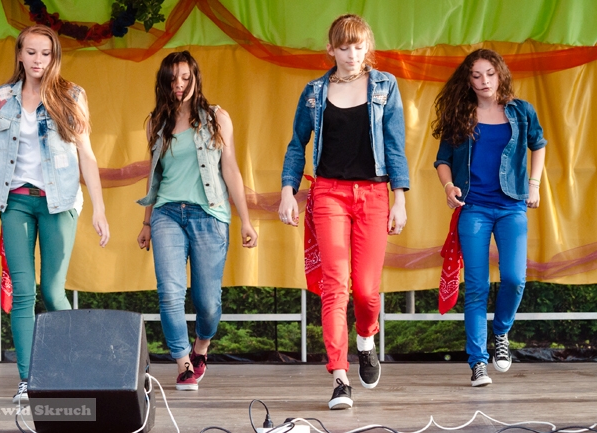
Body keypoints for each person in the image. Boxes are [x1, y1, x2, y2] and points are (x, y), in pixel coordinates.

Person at [0, 25, 110, 404]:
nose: (38, 60)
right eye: (31, 52)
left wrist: (99, 208)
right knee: (23, 293)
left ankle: (75, 370)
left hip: (59, 202)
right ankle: (29, 380)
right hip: (15, 202)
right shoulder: (1, 98)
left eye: (45, 53)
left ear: (54, 57)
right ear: (19, 54)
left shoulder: (72, 96)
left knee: (52, 290)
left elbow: (87, 155)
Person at [279, 14, 409, 409]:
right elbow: (297, 144)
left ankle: (366, 338)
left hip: (373, 194)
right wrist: (288, 191)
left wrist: (400, 197)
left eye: (358, 46)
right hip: (328, 194)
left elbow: (395, 145)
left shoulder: (385, 86)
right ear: (331, 49)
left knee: (366, 291)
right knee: (335, 285)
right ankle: (339, 377)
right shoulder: (314, 92)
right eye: (344, 47)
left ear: (367, 47)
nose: (352, 54)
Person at [137, 51, 258, 391]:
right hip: (166, 214)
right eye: (172, 78)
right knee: (169, 293)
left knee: (207, 301)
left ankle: (201, 346)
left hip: (209, 214)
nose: (179, 84)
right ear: (164, 81)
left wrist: (246, 220)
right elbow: (153, 177)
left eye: (185, 78)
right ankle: (183, 363)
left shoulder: (217, 117)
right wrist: (146, 222)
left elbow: (230, 170)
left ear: (195, 78)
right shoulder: (156, 123)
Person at [432, 49, 546, 387]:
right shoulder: (460, 115)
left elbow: (538, 144)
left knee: (514, 278)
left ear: (500, 75)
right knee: (477, 287)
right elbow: (442, 160)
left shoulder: (521, 111)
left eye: (490, 74)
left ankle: (501, 332)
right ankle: (478, 361)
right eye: (477, 75)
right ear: (468, 81)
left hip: (512, 205)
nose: (484, 81)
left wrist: (534, 184)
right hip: (474, 208)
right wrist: (448, 186)